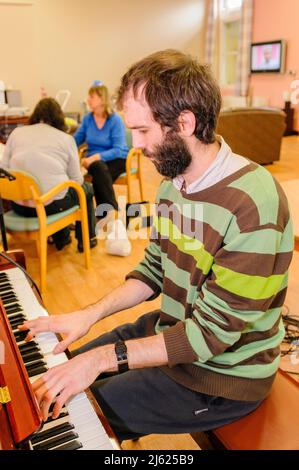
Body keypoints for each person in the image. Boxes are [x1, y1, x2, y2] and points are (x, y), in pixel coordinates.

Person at [20, 50, 293, 443]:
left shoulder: (253, 204)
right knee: (57, 373)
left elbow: (210, 337)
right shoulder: (172, 185)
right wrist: (88, 315)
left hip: (224, 375)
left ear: (185, 123)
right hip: (175, 329)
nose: (136, 144)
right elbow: (153, 271)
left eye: (144, 131)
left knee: (69, 407)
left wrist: (100, 359)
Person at [2, 97, 97, 252]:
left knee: (58, 192)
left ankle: (61, 237)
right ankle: (85, 240)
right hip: (47, 207)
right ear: (59, 117)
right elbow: (77, 180)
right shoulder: (66, 139)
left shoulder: (16, 133)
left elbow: (4, 169)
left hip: (18, 205)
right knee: (85, 189)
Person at [74, 83, 131, 256]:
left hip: (116, 159)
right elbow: (75, 139)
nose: (88, 100)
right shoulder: (88, 119)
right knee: (99, 171)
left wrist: (96, 157)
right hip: (95, 164)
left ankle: (107, 215)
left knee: (98, 169)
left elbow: (120, 148)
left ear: (101, 99)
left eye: (92, 96)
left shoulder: (114, 120)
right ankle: (113, 217)